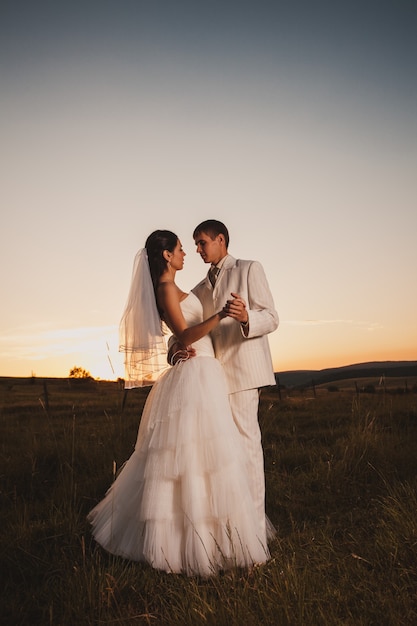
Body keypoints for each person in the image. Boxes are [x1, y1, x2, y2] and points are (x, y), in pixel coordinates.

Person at [87, 230, 272, 577]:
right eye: (183, 249)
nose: (189, 252)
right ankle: (193, 541)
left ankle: (233, 537)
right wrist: (216, 317)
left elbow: (181, 332)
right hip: (198, 374)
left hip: (215, 371)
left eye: (197, 244)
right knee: (194, 457)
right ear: (167, 256)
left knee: (218, 456)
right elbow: (185, 332)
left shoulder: (222, 277)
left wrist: (178, 342)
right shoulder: (166, 289)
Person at [169, 220, 279, 539]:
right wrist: (173, 350)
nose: (197, 249)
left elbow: (272, 317)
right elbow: (186, 329)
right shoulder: (201, 289)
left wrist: (246, 317)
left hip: (244, 375)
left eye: (202, 242)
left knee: (247, 451)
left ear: (221, 239)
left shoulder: (249, 269)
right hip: (213, 382)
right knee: (223, 458)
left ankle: (256, 536)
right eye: (194, 244)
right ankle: (231, 530)